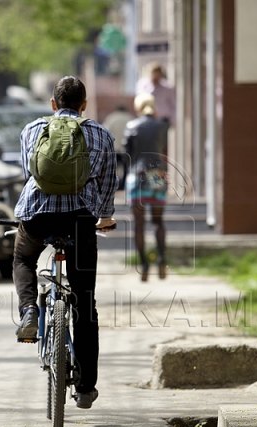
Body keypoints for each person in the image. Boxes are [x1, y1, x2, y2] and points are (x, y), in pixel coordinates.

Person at [13, 76, 117, 409]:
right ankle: (86, 388)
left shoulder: (32, 130)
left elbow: (29, 174)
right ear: (84, 104)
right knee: (85, 302)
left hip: (37, 215)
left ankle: (29, 310)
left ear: (53, 104)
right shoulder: (101, 134)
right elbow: (107, 184)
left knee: (23, 260)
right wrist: (104, 217)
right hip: (80, 221)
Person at [123, 93, 169, 282]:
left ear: (138, 108)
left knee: (139, 223)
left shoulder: (132, 126)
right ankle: (162, 259)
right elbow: (163, 149)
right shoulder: (162, 125)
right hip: (157, 175)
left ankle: (144, 264)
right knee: (158, 221)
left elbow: (127, 154)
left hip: (137, 175)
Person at [102, 104, 135, 190]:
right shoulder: (130, 118)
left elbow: (105, 131)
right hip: (126, 149)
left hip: (114, 148)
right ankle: (123, 186)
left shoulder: (111, 118)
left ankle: (113, 186)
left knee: (113, 169)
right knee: (126, 168)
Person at [135, 62, 176, 126]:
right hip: (147, 118)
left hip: (162, 120)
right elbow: (140, 100)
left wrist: (173, 120)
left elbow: (173, 105)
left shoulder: (167, 87)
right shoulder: (143, 85)